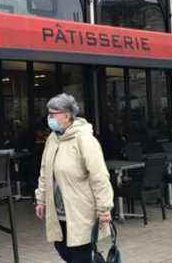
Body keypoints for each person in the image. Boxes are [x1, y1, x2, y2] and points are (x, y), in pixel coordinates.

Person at [35, 93, 113, 263]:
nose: (50, 118)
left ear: (67, 115)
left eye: (53, 114)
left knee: (81, 253)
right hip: (58, 210)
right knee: (62, 247)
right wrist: (40, 199)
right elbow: (44, 172)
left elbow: (99, 176)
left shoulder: (84, 139)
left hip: (80, 210)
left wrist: (104, 208)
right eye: (49, 114)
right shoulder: (52, 139)